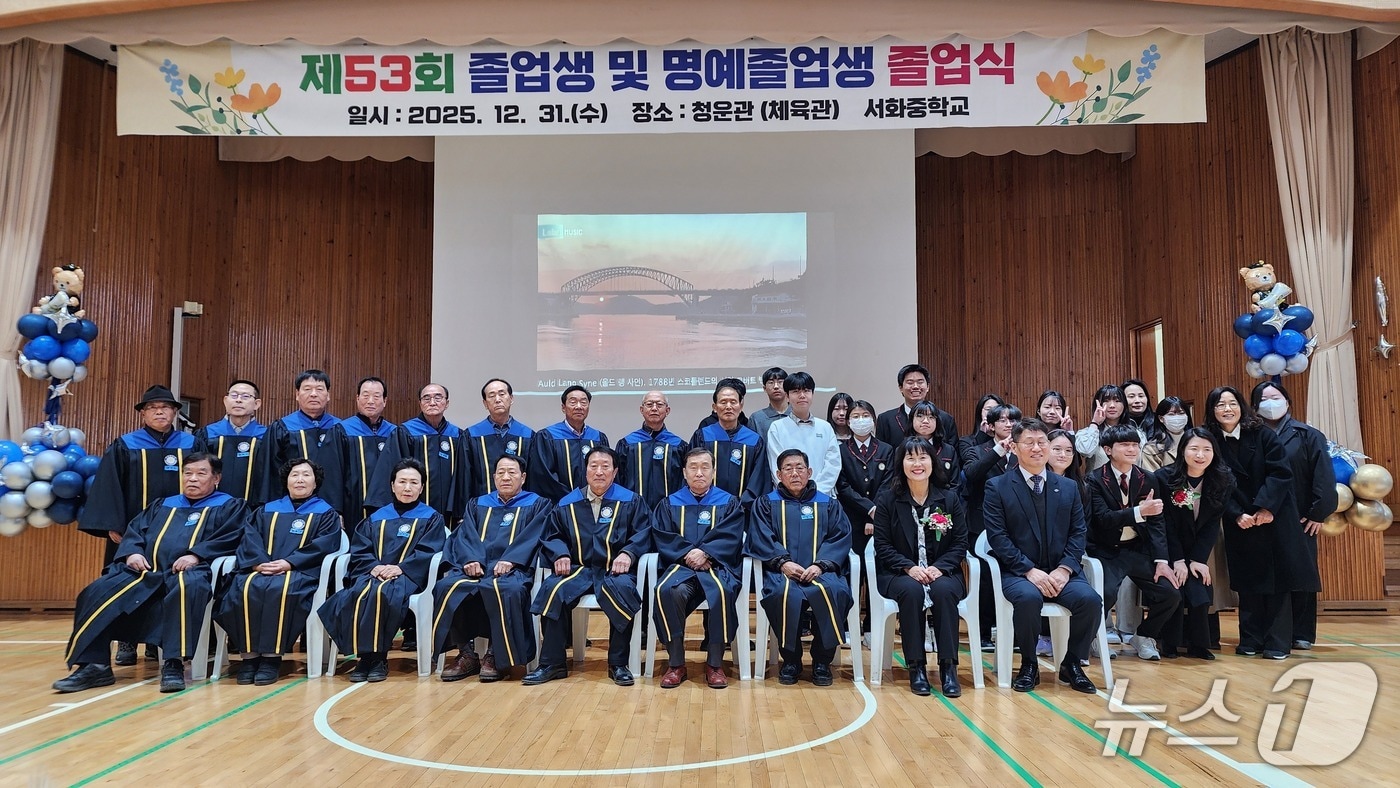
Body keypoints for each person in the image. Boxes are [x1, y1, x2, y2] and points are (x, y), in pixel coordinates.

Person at [56, 454, 246, 693]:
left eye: (201, 473)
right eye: (188, 473)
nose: (192, 479)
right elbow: (135, 531)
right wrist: (132, 553)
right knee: (95, 591)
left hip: (194, 571)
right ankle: (95, 666)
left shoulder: (230, 506)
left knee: (187, 587)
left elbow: (233, 537)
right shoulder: (162, 504)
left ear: (216, 478)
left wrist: (196, 555)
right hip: (146, 572)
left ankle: (173, 664)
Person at [82, 384, 207, 666]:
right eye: (152, 407)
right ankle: (126, 641)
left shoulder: (191, 445)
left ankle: (157, 641)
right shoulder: (126, 444)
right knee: (129, 583)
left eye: (166, 407)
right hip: (134, 533)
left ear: (176, 412)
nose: (160, 411)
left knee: (170, 584)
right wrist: (113, 525)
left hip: (178, 532)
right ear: (143, 414)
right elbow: (109, 487)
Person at [983, 419, 1101, 694]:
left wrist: (1065, 569)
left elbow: (1078, 533)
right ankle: (1028, 663)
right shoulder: (997, 486)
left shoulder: (1068, 487)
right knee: (1028, 598)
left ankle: (1071, 663)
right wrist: (1029, 570)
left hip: (1062, 571)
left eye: (1042, 442)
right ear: (1014, 447)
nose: (1037, 448)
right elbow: (998, 538)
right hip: (1018, 572)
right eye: (1029, 443)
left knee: (1090, 601)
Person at [1204, 385, 1317, 659]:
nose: (1227, 409)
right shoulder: (1211, 441)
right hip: (1238, 520)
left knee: (1277, 583)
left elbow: (1280, 473)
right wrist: (1235, 514)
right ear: (1212, 411)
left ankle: (1277, 643)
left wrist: (1265, 508)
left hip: (1274, 516)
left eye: (1232, 403)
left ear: (1242, 406)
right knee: (1248, 582)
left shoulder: (1262, 434)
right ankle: (1250, 640)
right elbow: (1212, 483)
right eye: (1220, 405)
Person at [525, 446, 651, 686]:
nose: (599, 472)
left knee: (623, 591)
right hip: (579, 569)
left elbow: (643, 533)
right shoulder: (567, 503)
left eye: (605, 466)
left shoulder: (631, 501)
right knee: (553, 590)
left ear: (615, 472)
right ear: (585, 472)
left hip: (615, 571)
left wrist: (628, 553)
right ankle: (552, 663)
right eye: (593, 466)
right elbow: (553, 535)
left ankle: (618, 663)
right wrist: (560, 554)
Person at [215, 459, 343, 685]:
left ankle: (271, 659)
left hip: (299, 573)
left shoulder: (326, 513)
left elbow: (324, 545)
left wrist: (288, 563)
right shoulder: (266, 510)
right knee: (242, 589)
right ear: (286, 481)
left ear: (316, 482)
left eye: (306, 475)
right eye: (295, 475)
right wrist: (258, 563)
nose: (300, 479)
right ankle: (249, 657)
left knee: (279, 589)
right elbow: (249, 538)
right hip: (260, 569)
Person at [317, 459, 447, 682]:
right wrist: (374, 566)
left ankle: (377, 658)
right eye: (402, 482)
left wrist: (400, 568)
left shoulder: (431, 517)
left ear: (422, 487)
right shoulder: (376, 517)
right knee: (354, 595)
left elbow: (430, 551)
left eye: (414, 482)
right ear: (392, 485)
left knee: (383, 593)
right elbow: (360, 550)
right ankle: (364, 658)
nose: (407, 488)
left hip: (408, 577)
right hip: (373, 573)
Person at [430, 454, 552, 683]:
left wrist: (513, 560)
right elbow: (464, 536)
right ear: (494, 476)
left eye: (512, 472)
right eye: (501, 472)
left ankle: (496, 655)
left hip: (514, 570)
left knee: (508, 589)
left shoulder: (538, 504)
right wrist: (470, 559)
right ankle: (466, 653)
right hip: (476, 568)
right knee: (447, 586)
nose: (506, 477)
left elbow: (536, 536)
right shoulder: (477, 504)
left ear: (523, 477)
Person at [748, 449, 854, 686]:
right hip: (782, 572)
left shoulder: (828, 504)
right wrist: (783, 562)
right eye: (788, 468)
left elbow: (840, 537)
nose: (794, 473)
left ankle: (821, 662)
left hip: (822, 571)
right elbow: (760, 537)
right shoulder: (766, 504)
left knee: (834, 592)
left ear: (809, 472)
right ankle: (791, 660)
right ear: (778, 474)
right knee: (782, 594)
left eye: (799, 467)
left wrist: (820, 565)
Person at [873, 437, 969, 697]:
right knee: (912, 592)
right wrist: (908, 568)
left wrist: (940, 567)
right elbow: (882, 545)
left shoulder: (949, 499)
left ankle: (949, 667)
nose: (917, 464)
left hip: (943, 571)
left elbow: (960, 542)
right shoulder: (888, 500)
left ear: (932, 462)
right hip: (899, 573)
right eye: (910, 458)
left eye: (922, 457)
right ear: (901, 463)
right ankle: (916, 666)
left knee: (944, 592)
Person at [1250, 381, 1337, 651]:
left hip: (1300, 519)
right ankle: (1268, 632)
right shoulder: (1251, 436)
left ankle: (1302, 633)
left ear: (1287, 401)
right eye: (1264, 399)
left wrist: (1318, 513)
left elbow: (1323, 477)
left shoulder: (1308, 435)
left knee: (1301, 574)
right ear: (1254, 407)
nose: (1271, 403)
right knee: (1267, 576)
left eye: (1276, 397)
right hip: (1261, 517)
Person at [1084, 424, 1182, 661]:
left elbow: (1157, 521)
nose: (1132, 449)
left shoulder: (1147, 478)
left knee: (1171, 594)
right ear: (1108, 450)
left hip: (1138, 549)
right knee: (1104, 594)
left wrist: (1161, 560)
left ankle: (1144, 635)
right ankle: (1092, 639)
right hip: (1106, 551)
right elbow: (1102, 520)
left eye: (1135, 445)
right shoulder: (1095, 480)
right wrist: (1139, 511)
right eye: (1125, 445)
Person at [651, 448, 746, 689]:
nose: (699, 473)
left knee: (722, 592)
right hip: (681, 568)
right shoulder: (670, 502)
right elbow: (663, 535)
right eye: (693, 467)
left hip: (716, 566)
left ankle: (715, 664)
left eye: (705, 467)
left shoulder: (728, 502)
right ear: (684, 472)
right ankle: (676, 663)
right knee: (666, 591)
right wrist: (687, 554)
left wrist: (706, 553)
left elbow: (732, 535)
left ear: (714, 471)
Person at [1155, 428, 1235, 659]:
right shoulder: (1165, 478)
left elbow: (1213, 523)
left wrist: (1198, 560)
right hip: (1169, 549)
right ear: (1183, 451)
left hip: (1198, 549)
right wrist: (1178, 560)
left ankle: (1199, 645)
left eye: (1206, 449)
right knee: (1176, 590)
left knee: (1201, 590)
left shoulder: (1223, 480)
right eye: (1194, 449)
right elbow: (1166, 523)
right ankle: (1168, 643)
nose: (1200, 455)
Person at [960, 403, 1019, 651]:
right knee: (983, 579)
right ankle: (983, 633)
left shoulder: (1024, 451)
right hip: (980, 524)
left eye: (1013, 420)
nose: (1008, 424)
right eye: (1002, 420)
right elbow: (971, 474)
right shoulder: (977, 450)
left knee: (1014, 577)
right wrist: (997, 452)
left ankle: (1012, 632)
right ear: (990, 425)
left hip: (1016, 525)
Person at [835, 400, 892, 641]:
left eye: (865, 414)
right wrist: (868, 509)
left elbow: (889, 483)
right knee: (851, 574)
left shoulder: (887, 450)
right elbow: (843, 486)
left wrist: (876, 512)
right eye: (855, 415)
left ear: (873, 420)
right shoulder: (840, 450)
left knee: (876, 574)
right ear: (848, 421)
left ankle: (871, 626)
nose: (861, 420)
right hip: (851, 521)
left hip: (881, 520)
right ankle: (849, 624)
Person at [371, 383, 465, 522]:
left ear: (447, 403)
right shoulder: (405, 432)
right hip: (412, 508)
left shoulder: (457, 435)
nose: (432, 402)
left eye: (438, 398)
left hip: (449, 509)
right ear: (420, 403)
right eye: (426, 398)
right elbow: (390, 470)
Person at [269, 370, 348, 515]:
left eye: (319, 389)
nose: (313, 394)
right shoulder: (283, 427)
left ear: (328, 395)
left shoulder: (340, 429)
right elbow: (272, 472)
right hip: (291, 506)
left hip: (333, 504)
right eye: (307, 389)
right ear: (297, 395)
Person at [690, 378, 769, 507]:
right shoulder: (703, 436)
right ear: (714, 407)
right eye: (723, 402)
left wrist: (741, 504)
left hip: (743, 510)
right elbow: (693, 471)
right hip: (706, 506)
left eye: (733, 402)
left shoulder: (754, 440)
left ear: (741, 405)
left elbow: (759, 479)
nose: (728, 407)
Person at [526, 385, 610, 502]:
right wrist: (573, 499)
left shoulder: (598, 437)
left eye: (583, 402)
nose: (579, 406)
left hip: (594, 504)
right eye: (573, 402)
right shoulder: (547, 436)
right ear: (563, 408)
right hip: (559, 506)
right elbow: (544, 477)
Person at [766, 371, 842, 496]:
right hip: (789, 498)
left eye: (806, 391)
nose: (802, 395)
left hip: (822, 496)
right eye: (796, 391)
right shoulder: (777, 428)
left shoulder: (825, 427)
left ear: (812, 394)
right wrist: (795, 492)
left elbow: (833, 465)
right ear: (788, 396)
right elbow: (776, 466)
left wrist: (816, 491)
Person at [196, 380, 272, 505]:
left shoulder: (266, 436)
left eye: (245, 396)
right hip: (211, 508)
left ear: (257, 404)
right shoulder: (208, 434)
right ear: (225, 401)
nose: (238, 400)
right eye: (234, 395)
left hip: (253, 508)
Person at [615, 390, 688, 509]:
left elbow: (684, 482)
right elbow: (618, 480)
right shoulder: (627, 444)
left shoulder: (679, 445)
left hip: (670, 511)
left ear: (667, 410)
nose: (654, 408)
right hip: (633, 511)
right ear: (641, 410)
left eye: (659, 405)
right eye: (649, 404)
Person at [463, 378, 535, 499]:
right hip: (482, 507)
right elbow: (464, 478)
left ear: (511, 399)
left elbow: (533, 479)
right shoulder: (471, 435)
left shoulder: (528, 435)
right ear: (485, 404)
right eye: (491, 396)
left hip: (521, 508)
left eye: (502, 394)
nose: (497, 399)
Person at [340, 377, 398, 521]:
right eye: (365, 395)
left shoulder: (395, 433)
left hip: (389, 507)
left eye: (377, 396)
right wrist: (337, 510)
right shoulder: (342, 430)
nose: (370, 401)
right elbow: (333, 474)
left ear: (385, 401)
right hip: (351, 506)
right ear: (357, 398)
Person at [876, 363, 958, 448]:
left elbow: (953, 454)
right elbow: (882, 453)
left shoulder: (945, 419)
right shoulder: (885, 420)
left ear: (928, 387)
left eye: (920, 382)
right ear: (901, 388)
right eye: (910, 382)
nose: (915, 386)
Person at [902, 401, 960, 490]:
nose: (925, 421)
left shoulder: (948, 450)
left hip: (944, 500)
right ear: (911, 419)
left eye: (931, 417)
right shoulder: (902, 449)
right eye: (920, 416)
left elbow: (955, 484)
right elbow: (898, 480)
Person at [1074, 384, 1128, 472]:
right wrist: (1095, 422)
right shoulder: (1085, 433)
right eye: (1106, 401)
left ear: (1124, 405)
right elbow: (1086, 451)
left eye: (1117, 401)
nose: (1112, 405)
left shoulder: (1136, 433)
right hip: (1096, 484)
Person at [1140, 396, 1192, 472]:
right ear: (1161, 418)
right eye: (1171, 414)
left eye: (1181, 413)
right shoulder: (1151, 449)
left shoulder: (1198, 442)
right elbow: (1152, 479)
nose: (1177, 418)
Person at [958, 393, 1005, 463]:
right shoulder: (965, 442)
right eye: (988, 409)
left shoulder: (1007, 440)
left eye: (997, 409)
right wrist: (982, 435)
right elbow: (971, 464)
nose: (992, 413)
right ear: (980, 412)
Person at [746, 367, 790, 442]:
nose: (776, 386)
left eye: (780, 382)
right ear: (764, 388)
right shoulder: (756, 418)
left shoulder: (797, 415)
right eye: (771, 382)